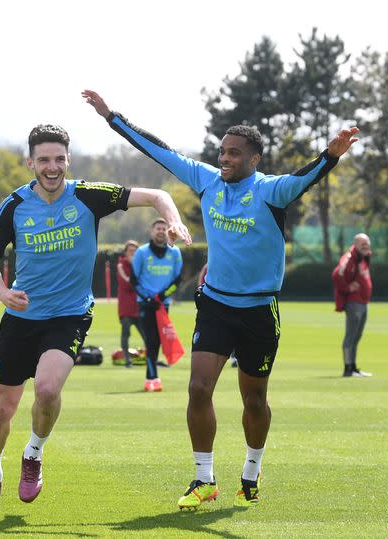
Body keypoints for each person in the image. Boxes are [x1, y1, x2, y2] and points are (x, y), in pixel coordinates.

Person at [83, 89, 359, 509]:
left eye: (234, 153)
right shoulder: (207, 180)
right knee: (198, 389)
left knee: (254, 400)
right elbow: (161, 151)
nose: (225, 158)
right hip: (215, 304)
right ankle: (203, 478)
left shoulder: (272, 192)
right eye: (222, 152)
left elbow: (306, 176)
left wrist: (331, 155)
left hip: (259, 311)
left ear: (254, 159)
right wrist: (111, 117)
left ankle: (252, 468)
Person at [0, 123, 191, 512]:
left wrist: (173, 219)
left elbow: (158, 195)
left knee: (46, 389)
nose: (52, 166)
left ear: (68, 160)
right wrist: (3, 293)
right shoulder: (14, 205)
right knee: (4, 407)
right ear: (31, 163)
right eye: (44, 159)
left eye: (59, 158)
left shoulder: (89, 196)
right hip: (22, 318)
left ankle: (34, 453)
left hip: (69, 315)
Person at [132, 218, 183, 391]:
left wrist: (162, 296)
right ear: (151, 232)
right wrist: (147, 298)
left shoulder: (175, 252)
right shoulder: (141, 252)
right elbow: (134, 280)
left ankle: (151, 377)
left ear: (168, 232)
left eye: (164, 228)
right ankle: (151, 378)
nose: (161, 231)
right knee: (151, 340)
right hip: (146, 304)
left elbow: (177, 280)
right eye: (158, 228)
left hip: (163, 304)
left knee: (159, 340)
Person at [332, 233, 373, 377]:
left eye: (367, 244)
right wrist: (348, 287)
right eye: (363, 244)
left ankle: (354, 367)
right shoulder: (349, 258)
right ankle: (348, 369)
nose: (366, 246)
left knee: (357, 336)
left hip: (363, 302)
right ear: (356, 245)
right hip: (354, 302)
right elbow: (337, 274)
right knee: (350, 336)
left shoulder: (363, 257)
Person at [198, 263, 237, 368]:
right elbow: (201, 281)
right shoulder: (209, 265)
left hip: (233, 303)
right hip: (214, 305)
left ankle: (235, 357)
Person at [117, 240, 145, 367]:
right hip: (126, 308)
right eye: (130, 251)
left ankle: (152, 360)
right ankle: (127, 360)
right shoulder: (121, 266)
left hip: (139, 307)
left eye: (135, 251)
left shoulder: (141, 266)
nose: (133, 254)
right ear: (125, 253)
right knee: (126, 334)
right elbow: (128, 284)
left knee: (146, 335)